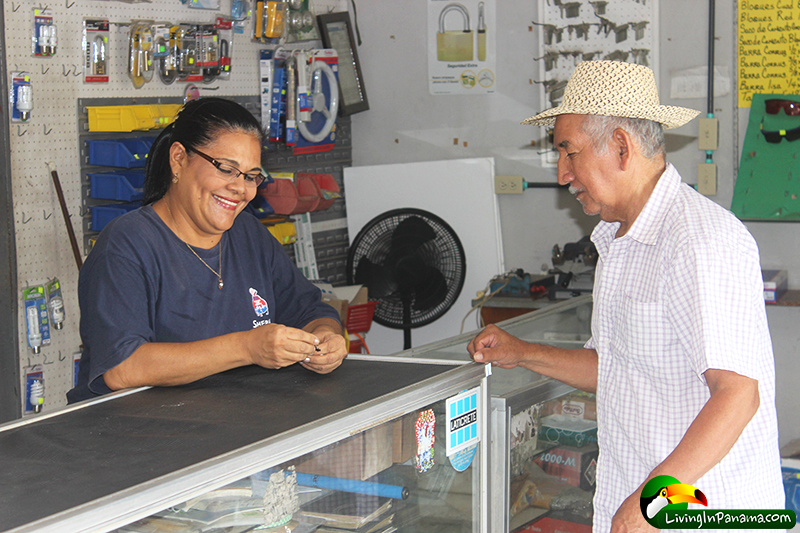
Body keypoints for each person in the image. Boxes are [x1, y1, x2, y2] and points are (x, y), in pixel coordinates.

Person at [467, 61, 785, 532]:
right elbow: (619, 370)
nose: (561, 174)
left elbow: (737, 395)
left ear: (620, 145)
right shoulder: (619, 242)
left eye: (568, 152)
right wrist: (524, 352)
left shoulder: (699, 241)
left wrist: (656, 498)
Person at [68, 97, 346, 403]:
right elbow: (123, 367)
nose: (241, 188)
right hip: (135, 437)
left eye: (252, 176)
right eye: (227, 169)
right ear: (178, 159)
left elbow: (310, 310)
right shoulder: (127, 244)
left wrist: (325, 338)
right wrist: (247, 347)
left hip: (229, 427)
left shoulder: (250, 234)